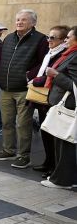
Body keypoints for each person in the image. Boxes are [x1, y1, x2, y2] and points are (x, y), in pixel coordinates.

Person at [0, 9, 49, 169]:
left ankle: (24, 156)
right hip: (5, 87)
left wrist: (28, 76)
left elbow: (44, 62)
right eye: (17, 19)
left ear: (33, 23)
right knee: (6, 122)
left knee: (23, 124)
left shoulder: (40, 40)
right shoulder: (9, 38)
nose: (19, 22)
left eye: (23, 20)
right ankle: (8, 149)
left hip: (24, 89)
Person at [28, 26, 69, 176]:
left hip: (53, 98)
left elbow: (55, 76)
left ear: (63, 40)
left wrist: (36, 81)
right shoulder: (50, 52)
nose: (49, 40)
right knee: (45, 132)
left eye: (53, 38)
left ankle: (54, 167)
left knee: (53, 135)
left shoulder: (63, 55)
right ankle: (48, 162)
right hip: (43, 97)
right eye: (48, 37)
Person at [40, 26, 77, 189]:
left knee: (65, 143)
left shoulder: (75, 56)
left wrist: (55, 75)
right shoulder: (70, 54)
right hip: (63, 104)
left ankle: (62, 180)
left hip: (68, 106)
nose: (66, 40)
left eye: (69, 37)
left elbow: (74, 85)